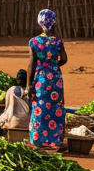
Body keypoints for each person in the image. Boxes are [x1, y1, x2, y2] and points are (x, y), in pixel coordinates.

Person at [26, 9, 67, 151]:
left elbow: (31, 64)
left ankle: (38, 139)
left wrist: (28, 85)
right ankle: (55, 139)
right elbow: (65, 59)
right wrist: (53, 66)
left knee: (40, 107)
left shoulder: (34, 42)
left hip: (41, 79)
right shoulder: (57, 41)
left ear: (39, 22)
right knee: (56, 108)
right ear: (53, 23)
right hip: (56, 79)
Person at [0, 70, 30, 136]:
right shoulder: (30, 92)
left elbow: (7, 107)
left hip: (13, 123)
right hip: (27, 124)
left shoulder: (12, 89)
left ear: (18, 80)